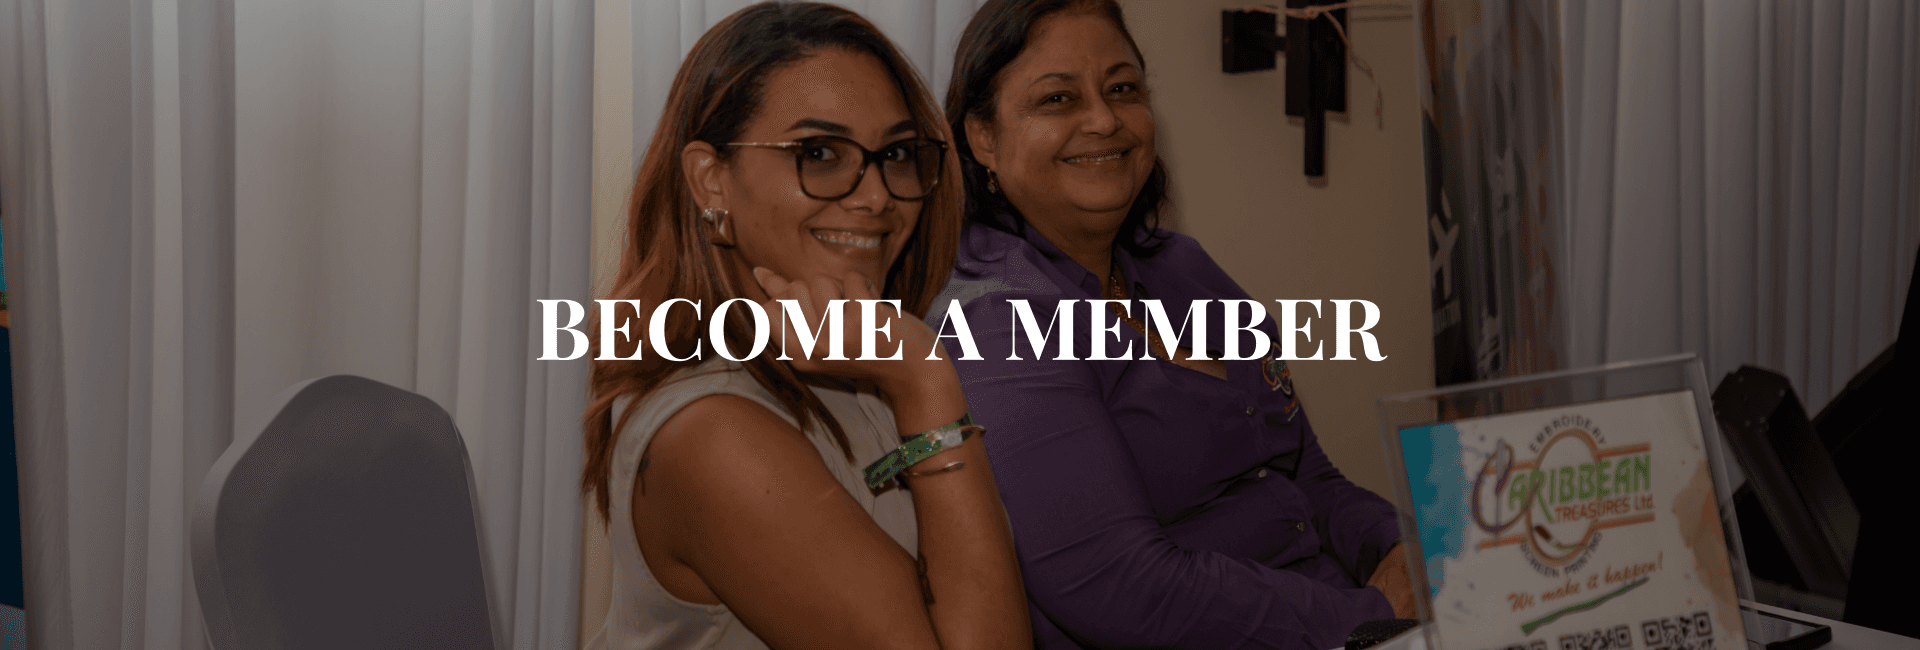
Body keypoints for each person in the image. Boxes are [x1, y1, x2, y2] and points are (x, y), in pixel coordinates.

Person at [934, 1, 1417, 648]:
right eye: (1057, 99)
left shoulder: (1183, 268)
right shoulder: (996, 321)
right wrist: (1366, 618)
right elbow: (1119, 588)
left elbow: (1308, 477)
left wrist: (1403, 552)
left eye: (1122, 89)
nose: (1104, 120)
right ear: (982, 138)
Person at [580, 4, 1029, 648]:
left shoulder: (854, 359)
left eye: (896, 154)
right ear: (711, 181)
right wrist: (925, 383)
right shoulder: (713, 435)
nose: (876, 195)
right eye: (818, 152)